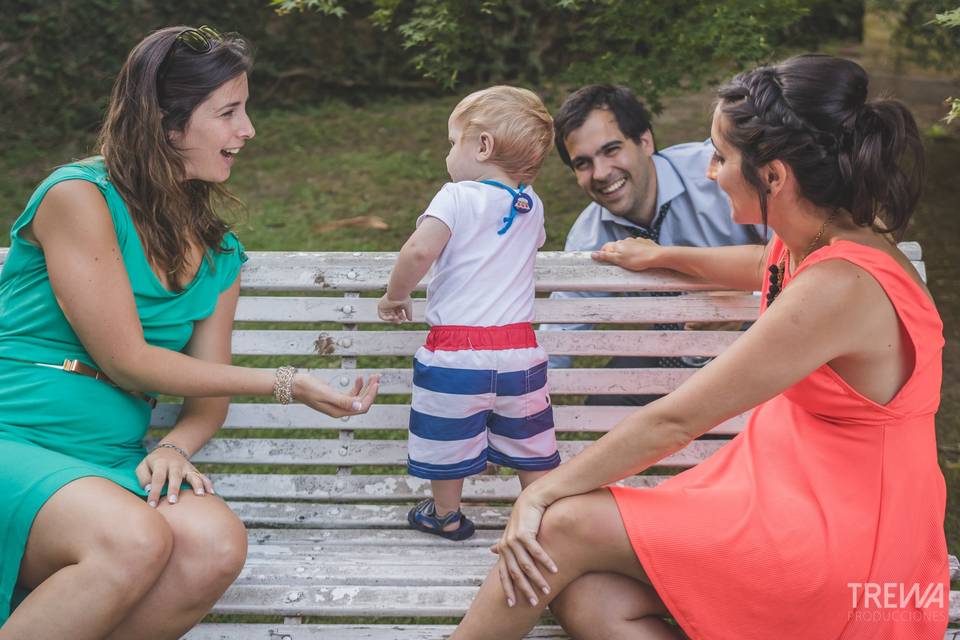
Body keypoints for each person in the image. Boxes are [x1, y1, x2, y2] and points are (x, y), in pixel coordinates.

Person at [451, 54, 948, 639]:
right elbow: (760, 263)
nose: (709, 172)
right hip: (792, 495)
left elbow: (675, 420)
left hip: (849, 547)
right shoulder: (820, 239)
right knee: (584, 593)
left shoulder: (838, 287)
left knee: (557, 527)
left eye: (720, 156)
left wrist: (539, 496)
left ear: (775, 177)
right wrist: (661, 254)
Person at [0, 26, 379, 640]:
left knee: (214, 545)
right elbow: (125, 360)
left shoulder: (218, 251)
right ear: (166, 123)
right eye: (229, 112)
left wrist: (176, 445)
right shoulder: (77, 197)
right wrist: (288, 382)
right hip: (15, 432)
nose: (248, 129)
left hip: (108, 457)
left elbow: (206, 404)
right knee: (134, 538)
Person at [378, 86, 558, 541]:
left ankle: (446, 516)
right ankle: (539, 518)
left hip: (458, 352)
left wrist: (396, 295)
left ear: (482, 146)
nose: (448, 153)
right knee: (528, 441)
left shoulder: (456, 197)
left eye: (453, 141)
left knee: (447, 439)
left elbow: (419, 251)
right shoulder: (531, 205)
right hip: (520, 352)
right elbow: (528, 246)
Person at [541, 84, 767, 405]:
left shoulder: (721, 175)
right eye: (583, 163)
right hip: (674, 356)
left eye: (611, 150)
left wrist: (748, 303)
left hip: (761, 343)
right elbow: (559, 335)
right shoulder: (590, 237)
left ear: (645, 141)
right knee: (608, 403)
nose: (601, 173)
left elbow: (803, 257)